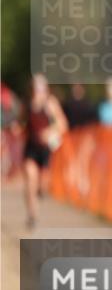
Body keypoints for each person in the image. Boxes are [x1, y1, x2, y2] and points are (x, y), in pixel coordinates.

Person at [21, 73, 68, 229]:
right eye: (36, 87)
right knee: (30, 178)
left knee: (41, 185)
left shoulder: (50, 104)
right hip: (30, 148)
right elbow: (23, 123)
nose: (38, 90)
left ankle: (39, 194)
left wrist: (49, 132)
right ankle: (32, 214)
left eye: (41, 87)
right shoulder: (28, 104)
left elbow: (63, 124)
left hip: (46, 150)